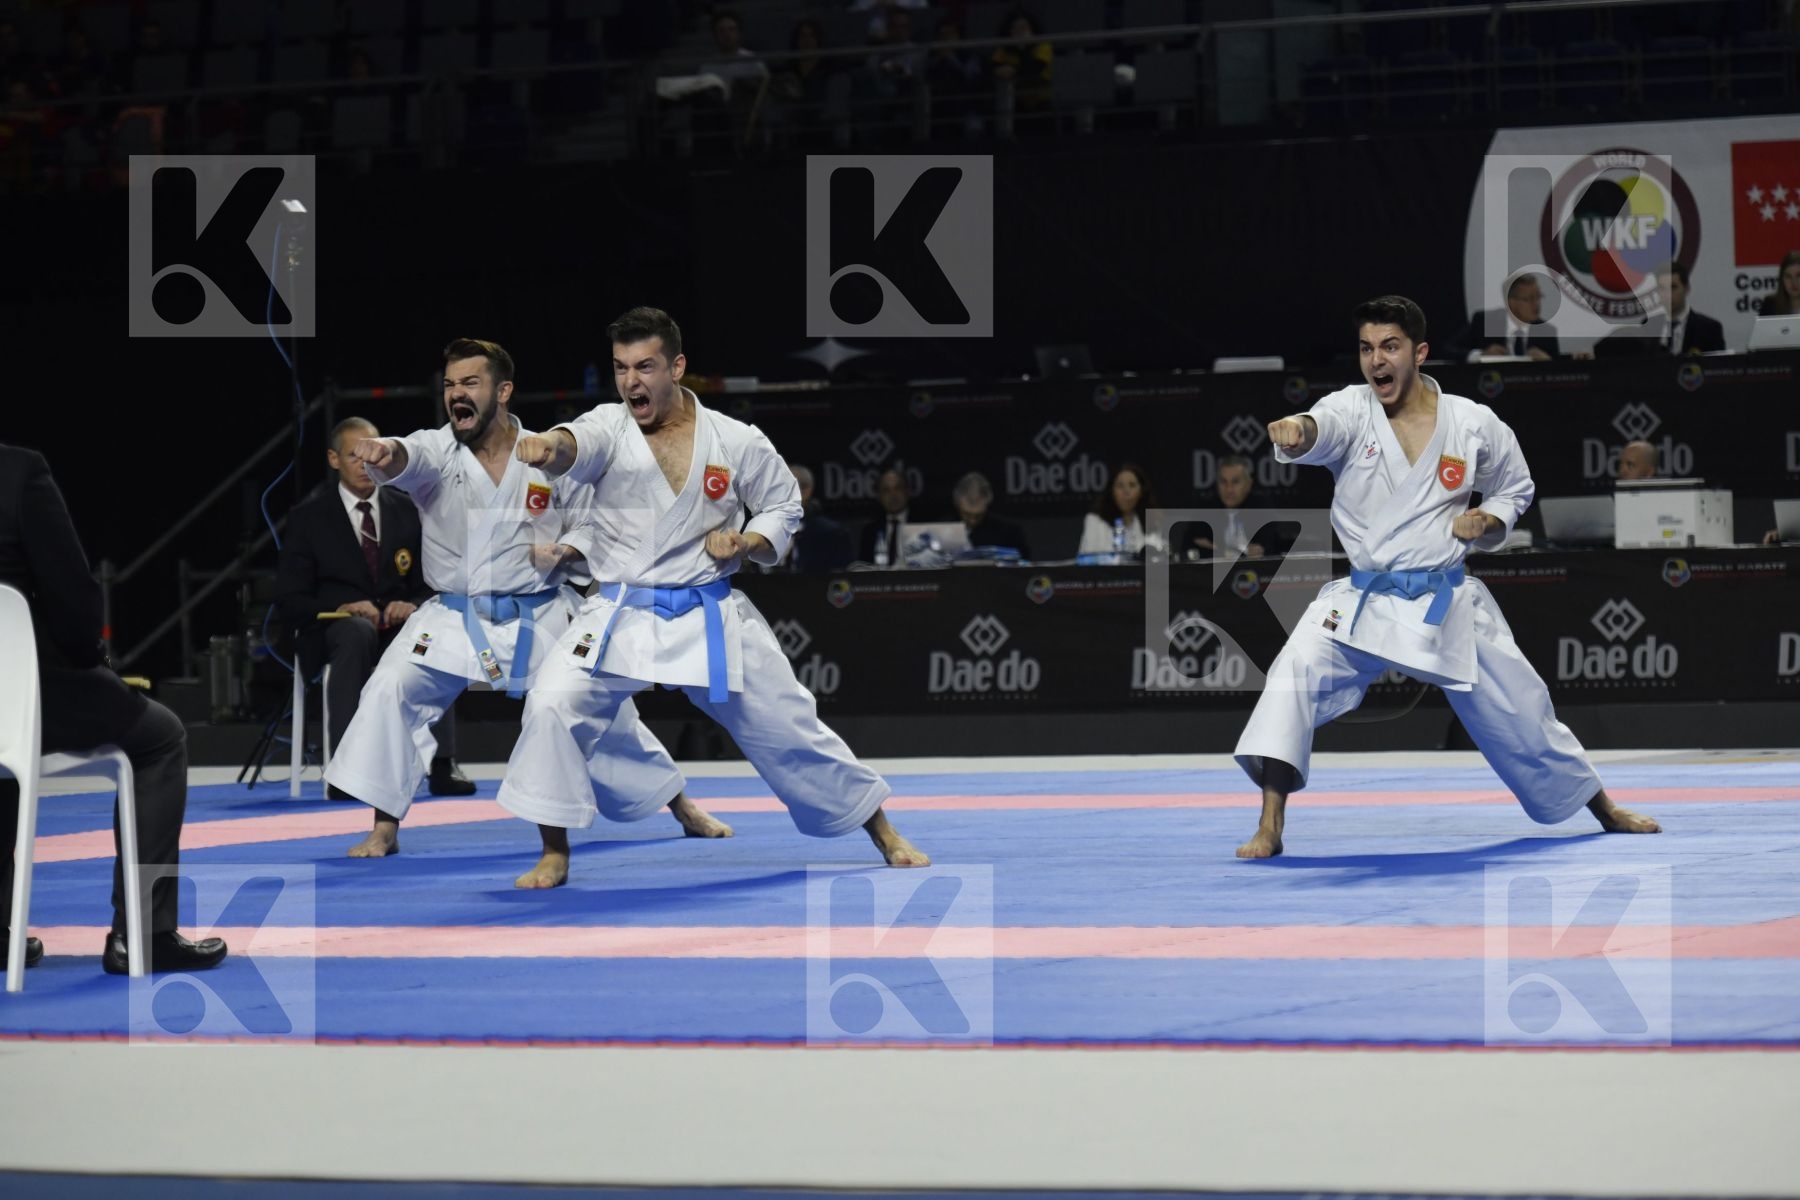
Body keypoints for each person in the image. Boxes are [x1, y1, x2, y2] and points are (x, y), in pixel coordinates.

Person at [501, 307, 929, 886]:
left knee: (790, 727)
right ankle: (554, 850)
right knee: (551, 703)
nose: (630, 381)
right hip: (621, 612)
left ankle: (882, 831)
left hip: (708, 612)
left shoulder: (734, 437)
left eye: (644, 366)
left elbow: (783, 504)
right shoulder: (608, 426)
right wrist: (549, 447)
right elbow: (575, 443)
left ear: (676, 367)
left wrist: (748, 541)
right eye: (621, 368)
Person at [1231, 295, 1660, 858]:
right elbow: (1320, 428)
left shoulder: (1471, 422)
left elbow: (1516, 486)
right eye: (1366, 348)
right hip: (1364, 599)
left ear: (1420, 352)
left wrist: (1490, 519)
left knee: (1523, 708)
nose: (1376, 360)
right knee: (1294, 671)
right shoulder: (1352, 408)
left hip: (1444, 600)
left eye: (1390, 346)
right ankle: (1270, 825)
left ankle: (1604, 808)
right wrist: (1297, 429)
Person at [330, 338, 726, 868]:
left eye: (470, 383)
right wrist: (387, 452)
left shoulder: (548, 453)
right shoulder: (438, 453)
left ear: (503, 391)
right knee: (391, 687)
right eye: (450, 384)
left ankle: (679, 805)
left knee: (605, 713)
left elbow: (591, 521)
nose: (456, 394)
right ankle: (384, 825)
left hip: (540, 613)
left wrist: (568, 549)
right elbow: (407, 454)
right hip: (455, 616)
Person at [0, 444, 227, 974]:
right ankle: (143, 935)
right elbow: (71, 596)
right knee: (162, 738)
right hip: (28, 690)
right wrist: (92, 662)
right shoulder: (18, 472)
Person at [275, 417, 473, 797]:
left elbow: (433, 581)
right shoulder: (308, 518)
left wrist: (411, 604)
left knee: (434, 633)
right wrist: (344, 606)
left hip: (396, 627)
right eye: (354, 456)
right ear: (333, 459)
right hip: (333, 631)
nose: (365, 465)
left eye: (373, 455)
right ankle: (348, 771)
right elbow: (290, 598)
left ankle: (443, 764)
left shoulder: (407, 509)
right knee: (356, 632)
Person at [1596, 265, 1725, 357]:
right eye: (1662, 288)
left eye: (1673, 287)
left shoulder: (1709, 328)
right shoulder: (1649, 325)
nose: (1668, 294)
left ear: (1687, 289)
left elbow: (1717, 370)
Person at [1190, 454, 1291, 559]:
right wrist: (1236, 553)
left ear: (1248, 484)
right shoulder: (1205, 508)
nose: (1229, 489)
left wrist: (1217, 549)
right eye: (1223, 482)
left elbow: (1268, 547)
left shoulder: (1261, 508)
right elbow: (1191, 546)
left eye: (1235, 482)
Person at [1448, 275, 1560, 361]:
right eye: (1529, 298)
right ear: (1511, 302)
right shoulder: (1484, 322)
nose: (1537, 304)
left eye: (1538, 296)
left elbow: (1560, 372)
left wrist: (1547, 361)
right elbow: (1448, 350)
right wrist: (1481, 355)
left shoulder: (1547, 331)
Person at [775, 462, 854, 571]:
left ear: (806, 491)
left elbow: (841, 577)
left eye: (784, 489)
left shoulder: (832, 534)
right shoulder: (762, 528)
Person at [1078, 462, 1160, 556]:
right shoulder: (1094, 521)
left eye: (1132, 485)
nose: (1126, 491)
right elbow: (1085, 560)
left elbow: (1162, 557)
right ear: (1112, 492)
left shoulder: (1152, 521)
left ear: (1141, 492)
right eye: (1120, 486)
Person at [952, 471, 1030, 557]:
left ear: (988, 504)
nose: (972, 520)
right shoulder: (944, 530)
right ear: (957, 505)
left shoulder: (1009, 533)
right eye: (966, 514)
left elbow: (1025, 561)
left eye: (978, 516)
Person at [858, 465, 913, 565]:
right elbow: (864, 567)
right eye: (886, 490)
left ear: (908, 491)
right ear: (879, 497)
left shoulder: (924, 524)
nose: (893, 495)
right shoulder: (870, 532)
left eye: (898, 488)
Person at [1757, 250, 1800, 316]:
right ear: (1782, 279)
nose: (1794, 282)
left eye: (1798, 275)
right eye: (1788, 276)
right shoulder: (1770, 306)